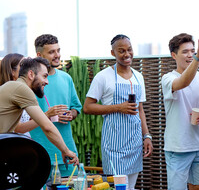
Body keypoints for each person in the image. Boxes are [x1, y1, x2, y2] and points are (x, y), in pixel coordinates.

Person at [83, 34, 153, 189]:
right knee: (119, 188)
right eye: (121, 51)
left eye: (129, 49)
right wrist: (118, 107)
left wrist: (146, 136)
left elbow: (140, 109)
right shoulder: (103, 77)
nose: (127, 54)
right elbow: (87, 107)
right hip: (114, 145)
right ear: (113, 53)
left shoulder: (138, 77)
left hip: (134, 144)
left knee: (131, 187)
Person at [0, 57, 79, 166]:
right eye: (45, 76)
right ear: (31, 74)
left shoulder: (13, 87)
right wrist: (66, 150)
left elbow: (19, 128)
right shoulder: (22, 89)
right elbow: (47, 127)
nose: (47, 82)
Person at [161, 33, 199, 190]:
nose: (190, 55)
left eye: (193, 51)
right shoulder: (168, 78)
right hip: (178, 147)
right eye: (185, 52)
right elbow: (183, 82)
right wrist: (198, 59)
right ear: (173, 55)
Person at [30, 34, 82, 177]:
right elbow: (23, 122)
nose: (57, 55)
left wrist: (71, 114)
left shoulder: (66, 78)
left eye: (58, 50)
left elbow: (76, 107)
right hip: (42, 153)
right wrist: (48, 114)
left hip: (68, 152)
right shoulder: (30, 83)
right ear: (39, 55)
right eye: (51, 52)